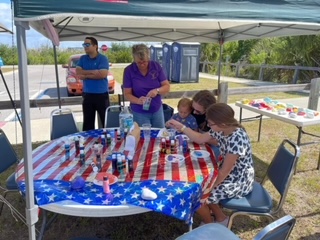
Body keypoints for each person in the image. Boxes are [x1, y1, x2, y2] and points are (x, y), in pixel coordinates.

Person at [167, 103, 255, 226]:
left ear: (222, 123)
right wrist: (181, 127)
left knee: (198, 194)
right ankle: (220, 217)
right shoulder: (223, 129)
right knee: (201, 187)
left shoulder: (237, 138)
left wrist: (208, 188)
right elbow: (200, 138)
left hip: (239, 179)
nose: (208, 125)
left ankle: (209, 224)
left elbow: (224, 172)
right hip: (228, 173)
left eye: (211, 123)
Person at [123, 44, 170, 128]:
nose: (142, 65)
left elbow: (166, 86)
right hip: (139, 111)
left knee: (160, 134)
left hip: (157, 109)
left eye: (144, 61)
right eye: (138, 63)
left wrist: (157, 90)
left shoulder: (156, 66)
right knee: (142, 136)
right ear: (134, 59)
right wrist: (138, 101)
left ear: (148, 58)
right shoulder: (129, 70)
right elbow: (127, 94)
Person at [76, 37, 110, 131]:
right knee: (88, 123)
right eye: (84, 45)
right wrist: (94, 72)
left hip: (101, 95)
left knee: (106, 122)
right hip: (87, 95)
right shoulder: (83, 58)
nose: (85, 47)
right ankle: (88, 143)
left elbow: (102, 74)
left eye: (87, 44)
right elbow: (78, 72)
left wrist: (85, 74)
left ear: (95, 46)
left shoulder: (103, 59)